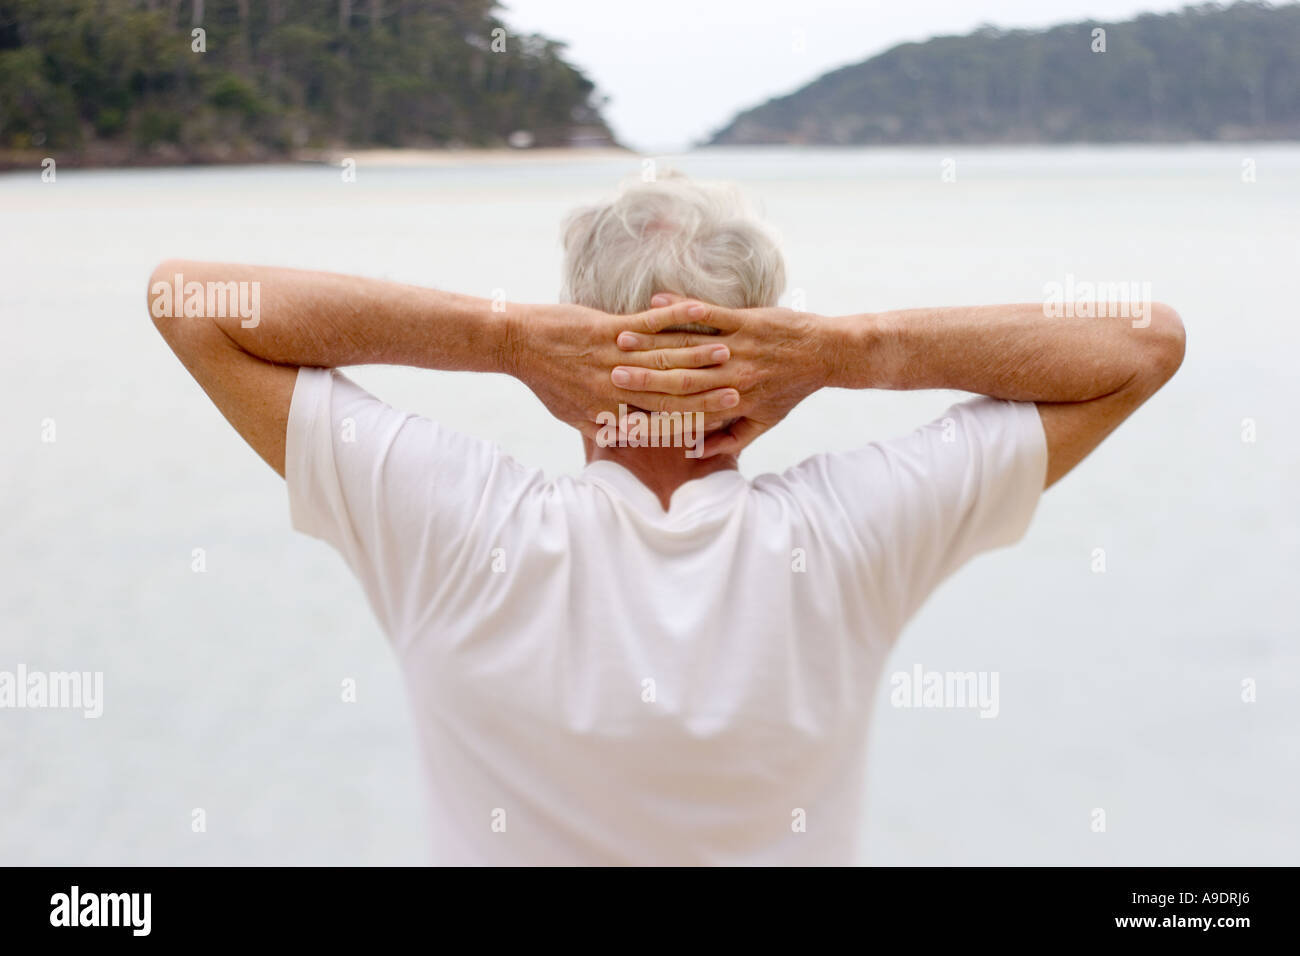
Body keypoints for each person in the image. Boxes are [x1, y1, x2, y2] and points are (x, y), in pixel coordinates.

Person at [147, 172, 1184, 865]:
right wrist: (845, 350)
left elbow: (190, 300)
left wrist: (505, 338)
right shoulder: (854, 533)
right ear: (765, 337)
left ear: (574, 328)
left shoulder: (452, 528)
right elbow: (1142, 344)